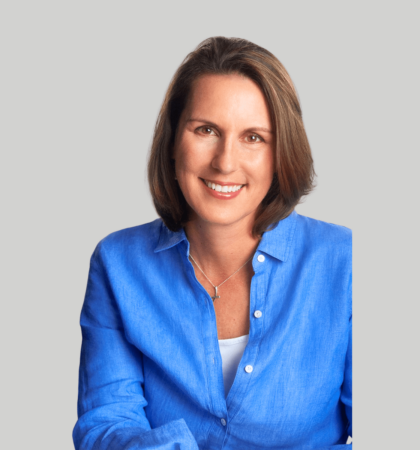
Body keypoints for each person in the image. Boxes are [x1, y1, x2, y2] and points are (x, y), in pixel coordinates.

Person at [72, 36, 352, 450]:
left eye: (254, 137)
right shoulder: (117, 264)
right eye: (206, 130)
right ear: (172, 142)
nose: (225, 162)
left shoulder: (345, 262)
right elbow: (106, 423)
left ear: (282, 153)